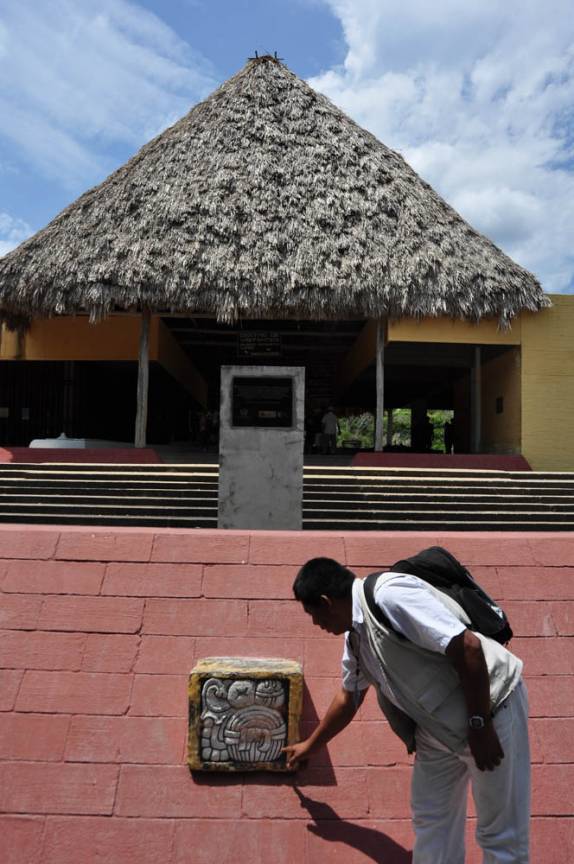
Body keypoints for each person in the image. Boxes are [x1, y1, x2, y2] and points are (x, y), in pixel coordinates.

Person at [283, 556, 530, 863]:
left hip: (491, 710)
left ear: (326, 602)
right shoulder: (355, 639)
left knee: (500, 834)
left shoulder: (390, 595)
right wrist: (310, 745)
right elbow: (348, 698)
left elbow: (467, 647)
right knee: (432, 822)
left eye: (313, 615)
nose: (316, 625)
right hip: (438, 732)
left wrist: (480, 725)